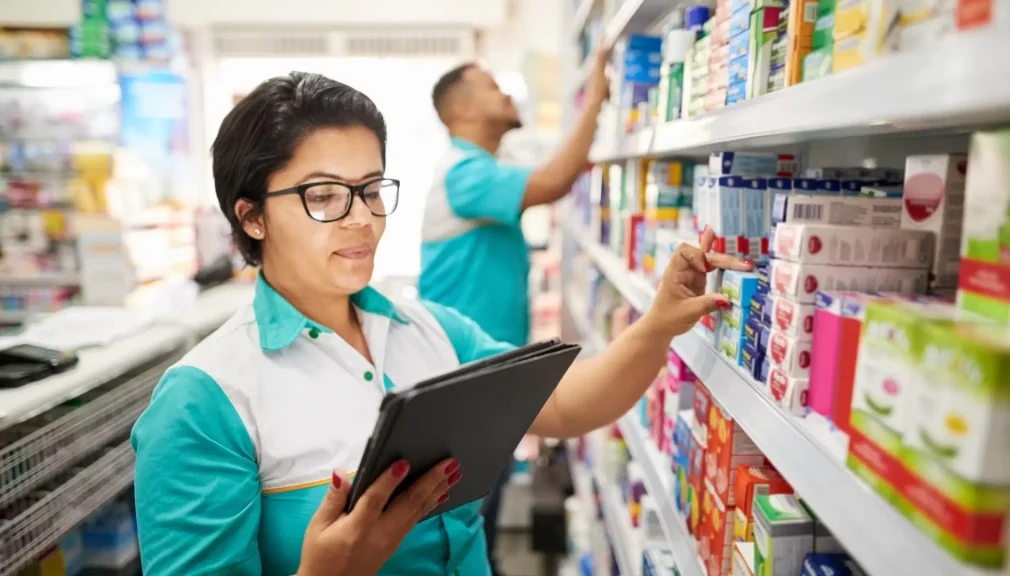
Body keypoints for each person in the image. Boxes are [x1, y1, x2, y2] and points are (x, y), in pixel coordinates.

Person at [131, 71, 751, 576]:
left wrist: (660, 322)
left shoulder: (432, 330)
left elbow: (564, 406)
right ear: (252, 218)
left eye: (371, 189)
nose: (362, 219)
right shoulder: (204, 402)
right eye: (323, 196)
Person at [419, 49, 613, 568]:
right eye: (490, 85)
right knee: (467, 519)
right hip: (462, 381)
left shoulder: (481, 170)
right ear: (458, 109)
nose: (506, 92)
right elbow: (552, 182)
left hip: (483, 377)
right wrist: (596, 99)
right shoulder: (464, 174)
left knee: (480, 508)